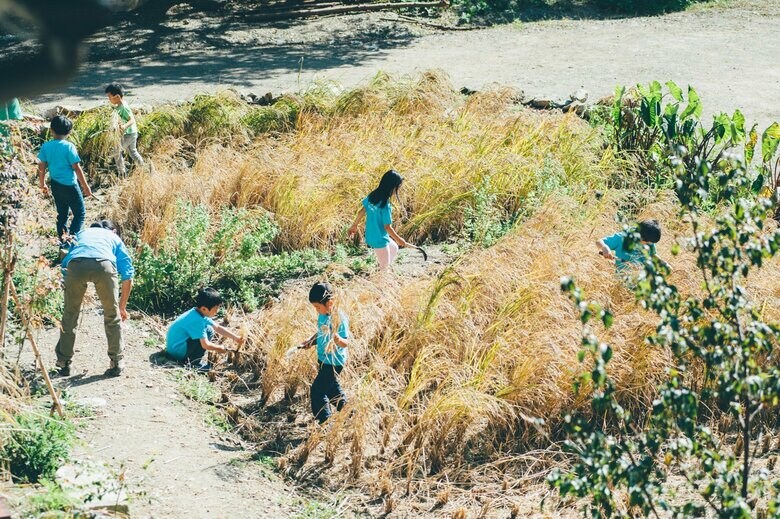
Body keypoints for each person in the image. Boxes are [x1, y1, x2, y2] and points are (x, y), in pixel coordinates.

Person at [56, 220, 133, 377]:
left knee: (70, 315)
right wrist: (122, 307)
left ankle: (63, 363)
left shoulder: (82, 233)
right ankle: (117, 362)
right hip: (104, 265)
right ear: (113, 231)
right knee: (112, 315)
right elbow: (128, 274)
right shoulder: (114, 238)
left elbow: (65, 261)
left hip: (75, 264)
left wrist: (70, 284)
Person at [300, 282, 350, 424]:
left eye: (318, 307)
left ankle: (324, 421)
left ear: (330, 303)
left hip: (334, 362)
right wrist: (311, 341)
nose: (317, 310)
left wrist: (337, 339)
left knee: (317, 391)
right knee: (332, 390)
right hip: (323, 360)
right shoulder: (323, 316)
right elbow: (321, 334)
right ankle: (349, 413)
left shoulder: (339, 318)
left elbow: (345, 343)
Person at [37, 115, 92, 241]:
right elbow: (76, 168)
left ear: (51, 130)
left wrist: (42, 183)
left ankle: (62, 238)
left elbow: (41, 166)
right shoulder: (69, 147)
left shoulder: (46, 146)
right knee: (80, 214)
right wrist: (85, 187)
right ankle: (72, 239)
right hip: (70, 186)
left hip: (55, 184)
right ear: (69, 132)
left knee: (62, 214)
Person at [348, 169, 414, 271]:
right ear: (392, 187)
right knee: (385, 267)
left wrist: (354, 225)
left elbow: (361, 211)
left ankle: (382, 267)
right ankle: (383, 275)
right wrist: (399, 239)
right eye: (398, 187)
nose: (398, 190)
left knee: (394, 248)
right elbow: (387, 227)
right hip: (379, 240)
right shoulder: (385, 205)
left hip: (371, 235)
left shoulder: (373, 196)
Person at [165, 287, 244, 369]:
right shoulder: (196, 320)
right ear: (204, 308)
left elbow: (217, 327)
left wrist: (235, 337)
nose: (216, 312)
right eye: (215, 309)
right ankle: (193, 362)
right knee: (207, 331)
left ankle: (192, 359)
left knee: (209, 329)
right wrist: (219, 348)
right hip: (177, 352)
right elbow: (205, 345)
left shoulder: (197, 312)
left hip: (174, 347)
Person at [105, 83, 144, 176]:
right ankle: (144, 168)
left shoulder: (123, 107)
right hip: (132, 133)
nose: (109, 99)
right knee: (133, 152)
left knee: (116, 151)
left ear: (117, 97)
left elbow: (132, 120)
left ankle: (122, 173)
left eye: (110, 97)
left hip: (129, 134)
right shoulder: (120, 105)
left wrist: (123, 126)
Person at [597, 219, 662, 270]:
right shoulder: (622, 238)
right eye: (648, 243)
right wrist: (604, 247)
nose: (649, 244)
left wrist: (662, 264)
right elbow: (599, 241)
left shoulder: (649, 239)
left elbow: (653, 255)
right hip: (622, 282)